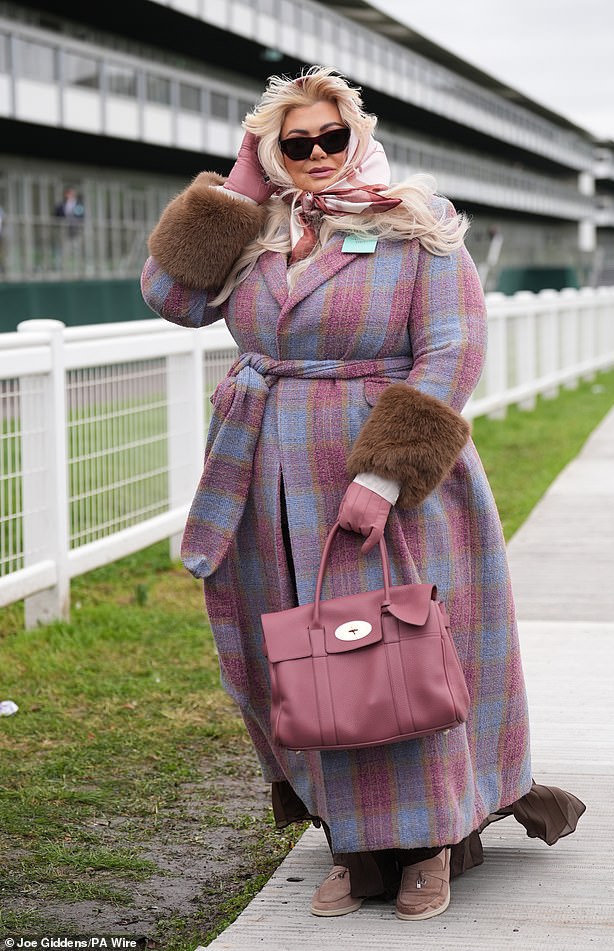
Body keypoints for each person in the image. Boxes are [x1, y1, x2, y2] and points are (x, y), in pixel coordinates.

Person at [140, 65, 585, 921]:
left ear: (359, 136)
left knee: (393, 657)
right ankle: (350, 838)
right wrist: (236, 182)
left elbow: (452, 352)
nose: (316, 154)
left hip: (386, 482)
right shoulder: (256, 229)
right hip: (266, 479)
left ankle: (428, 843)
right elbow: (170, 298)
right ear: (273, 148)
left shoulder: (418, 226)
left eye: (331, 137)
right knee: (302, 662)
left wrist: (382, 477)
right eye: (294, 141)